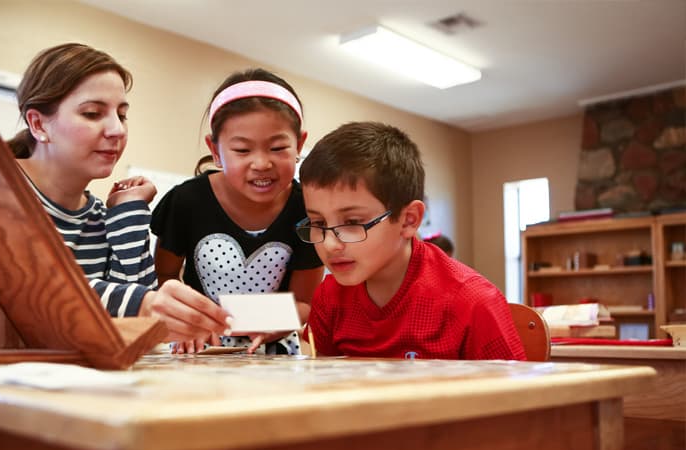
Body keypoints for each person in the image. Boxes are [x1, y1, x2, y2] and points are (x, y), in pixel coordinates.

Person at [7, 43, 231, 348]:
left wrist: (130, 211)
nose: (117, 130)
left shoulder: (103, 216)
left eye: (122, 115)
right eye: (92, 113)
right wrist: (144, 304)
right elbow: (24, 283)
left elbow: (134, 322)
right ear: (38, 123)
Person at [296, 121, 526, 360]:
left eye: (352, 222)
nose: (330, 244)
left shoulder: (473, 302)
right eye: (319, 224)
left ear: (408, 220)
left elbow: (520, 397)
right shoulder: (330, 296)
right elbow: (325, 384)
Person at [151, 69, 325, 354]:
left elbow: (304, 302)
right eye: (242, 150)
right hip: (198, 350)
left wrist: (274, 324)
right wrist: (185, 322)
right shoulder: (186, 201)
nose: (261, 163)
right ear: (216, 150)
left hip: (273, 355)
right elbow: (163, 278)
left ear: (300, 144)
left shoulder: (308, 209)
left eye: (278, 147)